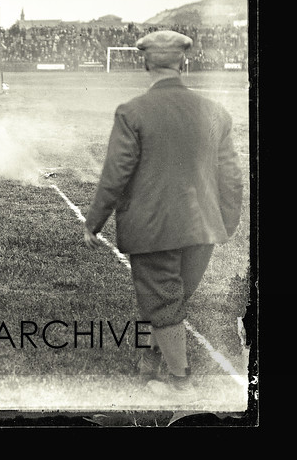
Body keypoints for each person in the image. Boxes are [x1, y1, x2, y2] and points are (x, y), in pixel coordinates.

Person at [82, 30, 243, 401]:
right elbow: (232, 178)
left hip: (153, 228)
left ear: (144, 63)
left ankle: (181, 384)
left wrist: (94, 222)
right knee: (174, 300)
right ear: (183, 63)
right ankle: (148, 362)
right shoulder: (215, 111)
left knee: (163, 303)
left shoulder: (132, 111)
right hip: (203, 228)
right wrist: (225, 224)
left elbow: (115, 175)